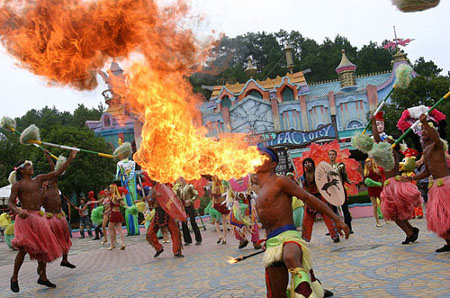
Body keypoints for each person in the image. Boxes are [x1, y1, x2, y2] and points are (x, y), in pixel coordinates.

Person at [255, 147, 349, 297]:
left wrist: (336, 218)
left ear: (273, 164)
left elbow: (309, 198)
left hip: (288, 236)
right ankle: (313, 283)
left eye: (263, 156)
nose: (258, 158)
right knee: (276, 294)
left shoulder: (281, 181)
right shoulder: (258, 186)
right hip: (271, 243)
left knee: (290, 257)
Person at [8, 150, 77, 293]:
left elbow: (56, 173)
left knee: (43, 248)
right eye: (28, 166)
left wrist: (70, 158)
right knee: (23, 249)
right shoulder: (18, 185)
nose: (31, 168)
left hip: (39, 218)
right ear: (21, 170)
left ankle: (43, 276)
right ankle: (14, 278)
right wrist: (18, 211)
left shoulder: (39, 179)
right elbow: (10, 203)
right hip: (25, 219)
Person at [402, 114, 450, 252]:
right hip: (435, 185)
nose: (422, 131)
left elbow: (436, 137)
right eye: (421, 129)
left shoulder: (437, 145)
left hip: (446, 183)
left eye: (425, 129)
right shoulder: (426, 150)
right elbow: (427, 172)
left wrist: (426, 123)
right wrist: (411, 179)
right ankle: (448, 243)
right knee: (439, 216)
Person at [371, 117, 421, 245]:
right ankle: (411, 230)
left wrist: (373, 122)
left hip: (392, 184)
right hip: (394, 183)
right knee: (397, 212)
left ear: (392, 142)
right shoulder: (392, 152)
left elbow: (377, 139)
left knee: (393, 214)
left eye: (387, 139)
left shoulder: (389, 152)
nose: (385, 140)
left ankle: (409, 233)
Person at [42, 151, 76, 269]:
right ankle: (42, 268)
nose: (48, 181)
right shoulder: (41, 191)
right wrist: (71, 157)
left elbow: (54, 169)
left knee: (66, 239)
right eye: (45, 180)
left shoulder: (54, 185)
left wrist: (48, 157)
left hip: (60, 216)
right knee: (48, 243)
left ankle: (65, 260)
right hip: (49, 218)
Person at [301, 158, 341, 243]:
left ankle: (335, 235)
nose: (308, 164)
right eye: (306, 163)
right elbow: (303, 189)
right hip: (310, 199)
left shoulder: (319, 174)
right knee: (307, 219)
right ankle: (305, 238)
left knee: (328, 217)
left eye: (309, 163)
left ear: (313, 164)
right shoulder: (302, 177)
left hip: (321, 198)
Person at [145, 183, 183, 258]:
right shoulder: (152, 190)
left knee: (175, 231)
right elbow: (150, 203)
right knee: (150, 232)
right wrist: (146, 200)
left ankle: (177, 251)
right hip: (158, 214)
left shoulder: (167, 188)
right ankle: (158, 248)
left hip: (168, 213)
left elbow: (173, 200)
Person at [328, 150, 354, 233]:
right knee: (332, 211)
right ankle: (334, 229)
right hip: (331, 191)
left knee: (345, 209)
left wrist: (349, 181)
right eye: (330, 154)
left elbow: (344, 176)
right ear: (328, 156)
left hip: (341, 190)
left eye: (333, 154)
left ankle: (349, 228)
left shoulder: (340, 166)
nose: (331, 156)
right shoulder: (326, 167)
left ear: (335, 156)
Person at [176, 177, 202, 246]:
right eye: (180, 179)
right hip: (183, 207)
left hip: (190, 206)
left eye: (182, 179)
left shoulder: (190, 186)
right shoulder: (179, 189)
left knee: (193, 222)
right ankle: (187, 240)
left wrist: (190, 200)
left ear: (185, 179)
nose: (181, 180)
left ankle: (198, 239)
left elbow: (196, 194)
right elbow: (177, 198)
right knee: (184, 223)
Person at [363, 158, 384, 227]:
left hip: (378, 188)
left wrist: (381, 184)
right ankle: (377, 221)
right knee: (374, 205)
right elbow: (365, 182)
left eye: (369, 161)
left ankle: (386, 217)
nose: (368, 163)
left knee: (383, 203)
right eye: (366, 162)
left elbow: (381, 178)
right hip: (371, 189)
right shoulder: (366, 172)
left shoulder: (377, 170)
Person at [107, 184, 128, 250]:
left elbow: (120, 200)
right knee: (120, 229)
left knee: (110, 229)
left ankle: (112, 244)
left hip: (114, 214)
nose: (110, 190)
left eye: (110, 188)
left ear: (113, 189)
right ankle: (123, 243)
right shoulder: (113, 197)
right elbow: (121, 202)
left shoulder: (115, 196)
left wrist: (122, 197)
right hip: (118, 214)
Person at [211, 175, 229, 244]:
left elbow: (214, 197)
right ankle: (225, 238)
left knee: (217, 222)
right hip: (223, 204)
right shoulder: (223, 187)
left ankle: (220, 235)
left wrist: (212, 205)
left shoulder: (215, 188)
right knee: (224, 223)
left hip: (216, 205)